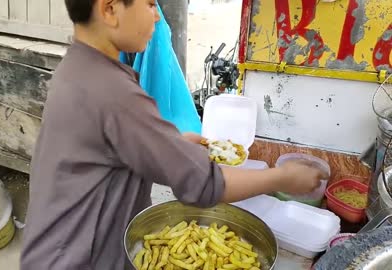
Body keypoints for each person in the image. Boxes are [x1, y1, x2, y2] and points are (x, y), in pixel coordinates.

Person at [20, 0, 328, 269]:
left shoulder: (75, 68)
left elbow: (110, 148)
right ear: (110, 9)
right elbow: (203, 185)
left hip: (48, 250)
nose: (156, 17)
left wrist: (174, 146)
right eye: (151, 4)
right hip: (76, 260)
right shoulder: (114, 92)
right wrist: (283, 178)